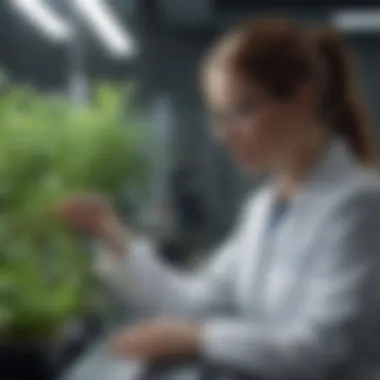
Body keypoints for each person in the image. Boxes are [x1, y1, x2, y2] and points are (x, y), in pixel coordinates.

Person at [59, 18, 380, 380]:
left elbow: (319, 349)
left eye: (243, 110)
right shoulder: (263, 209)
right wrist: (111, 233)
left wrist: (197, 339)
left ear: (302, 100)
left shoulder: (361, 204)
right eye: (219, 117)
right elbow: (197, 302)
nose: (225, 136)